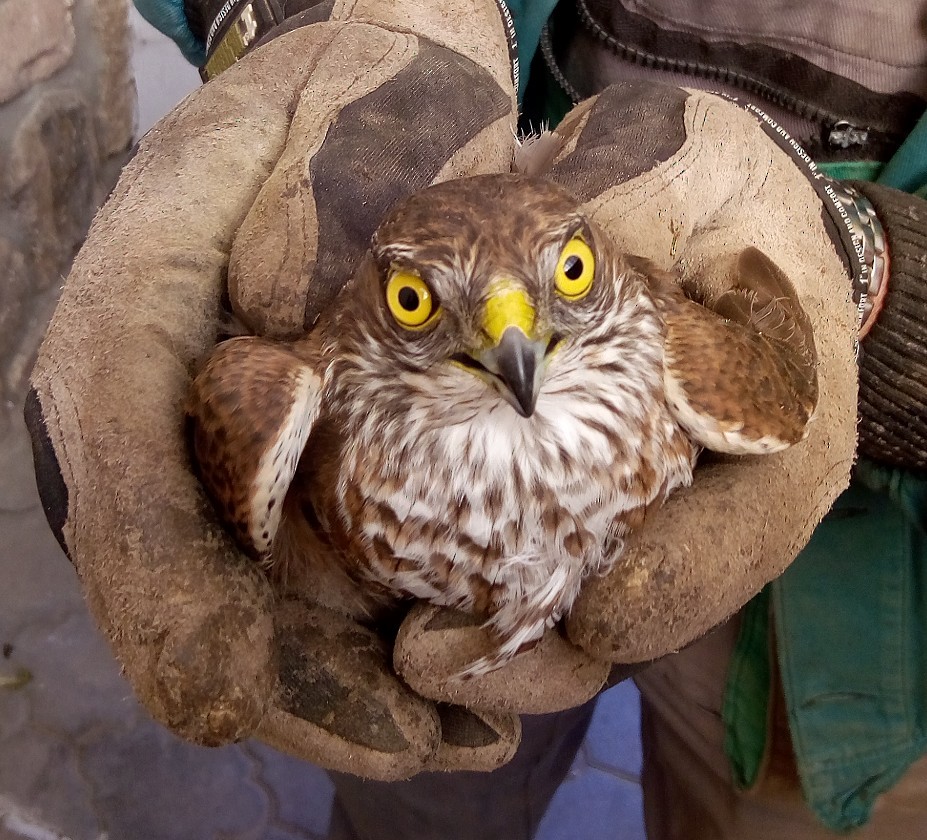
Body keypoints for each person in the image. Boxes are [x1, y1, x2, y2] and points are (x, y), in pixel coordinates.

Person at [48, 0, 927, 837]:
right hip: (405, 641)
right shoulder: (287, 398)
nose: (516, 343)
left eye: (570, 283)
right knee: (421, 807)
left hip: (851, 612)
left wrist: (876, 269)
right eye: (414, 303)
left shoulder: (681, 349)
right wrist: (309, 15)